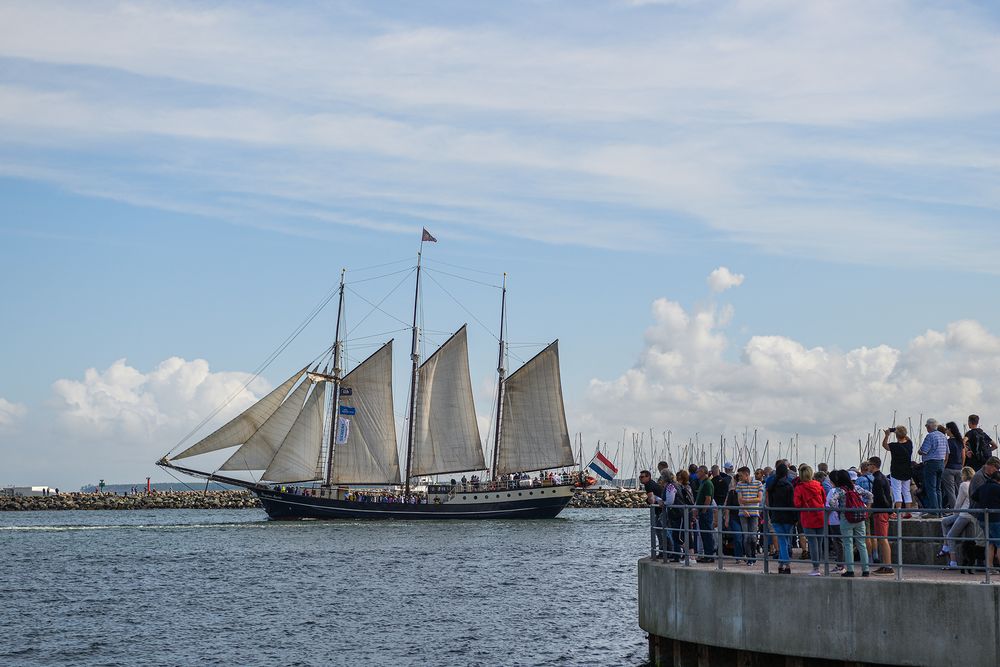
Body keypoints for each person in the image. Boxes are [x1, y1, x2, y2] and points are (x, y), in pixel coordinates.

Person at [828, 470, 873, 577]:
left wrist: (839, 510)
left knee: (848, 544)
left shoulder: (840, 490)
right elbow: (870, 495)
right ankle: (865, 569)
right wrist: (868, 509)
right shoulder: (856, 488)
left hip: (846, 518)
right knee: (861, 544)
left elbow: (831, 502)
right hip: (859, 518)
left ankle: (850, 570)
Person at [939, 466, 976, 569]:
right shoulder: (974, 484)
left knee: (950, 536)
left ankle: (953, 562)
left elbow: (958, 502)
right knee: (945, 521)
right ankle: (945, 546)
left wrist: (954, 512)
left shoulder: (963, 485)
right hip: (971, 514)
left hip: (964, 514)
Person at [793, 464, 826, 576]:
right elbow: (824, 499)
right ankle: (819, 566)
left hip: (807, 517)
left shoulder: (799, 488)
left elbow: (797, 504)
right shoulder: (819, 485)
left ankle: (815, 568)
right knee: (820, 542)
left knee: (812, 543)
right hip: (820, 515)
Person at [766, 462, 796, 574]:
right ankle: (785, 564)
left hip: (776, 516)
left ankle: (782, 564)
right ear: (786, 473)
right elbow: (791, 503)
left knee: (782, 540)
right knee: (785, 541)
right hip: (788, 517)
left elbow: (770, 503)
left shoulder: (772, 486)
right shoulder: (789, 486)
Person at [868, 456, 894, 574]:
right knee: (881, 539)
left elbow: (881, 497)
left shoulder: (878, 479)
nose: (868, 466)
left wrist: (887, 510)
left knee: (883, 539)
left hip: (881, 512)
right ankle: (885, 565)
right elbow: (887, 496)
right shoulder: (882, 478)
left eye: (869, 464)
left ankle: (888, 566)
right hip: (883, 511)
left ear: (873, 465)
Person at [970, 468, 1000, 574]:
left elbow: (974, 496)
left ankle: (989, 567)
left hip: (982, 518)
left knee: (990, 542)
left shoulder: (983, 487)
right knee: (999, 544)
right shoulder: (998, 488)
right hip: (995, 519)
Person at [882, 425, 915, 516]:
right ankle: (908, 512)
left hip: (896, 471)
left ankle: (899, 512)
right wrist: (899, 432)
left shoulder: (894, 446)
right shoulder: (909, 444)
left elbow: (884, 445)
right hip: (907, 471)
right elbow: (906, 437)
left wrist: (887, 434)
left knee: (897, 491)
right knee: (906, 491)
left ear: (896, 435)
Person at [734, 466, 762, 565]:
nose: (739, 477)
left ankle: (753, 555)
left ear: (747, 474)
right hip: (743, 513)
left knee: (753, 537)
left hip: (754, 512)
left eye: (741, 475)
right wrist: (744, 508)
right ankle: (749, 558)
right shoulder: (739, 484)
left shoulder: (758, 483)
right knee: (746, 537)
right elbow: (739, 499)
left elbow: (759, 499)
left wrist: (746, 501)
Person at [919, 418, 948, 511]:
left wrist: (919, 451)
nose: (926, 428)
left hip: (931, 463)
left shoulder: (930, 436)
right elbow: (947, 451)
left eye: (926, 426)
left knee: (931, 488)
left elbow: (924, 450)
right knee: (938, 488)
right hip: (941, 462)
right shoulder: (943, 436)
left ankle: (933, 511)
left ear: (930, 426)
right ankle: (939, 510)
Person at [639, 470, 667, 558]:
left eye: (642, 477)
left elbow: (652, 500)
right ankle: (665, 551)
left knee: (660, 531)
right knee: (661, 531)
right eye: (640, 477)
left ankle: (664, 552)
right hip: (662, 510)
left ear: (648, 477)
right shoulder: (652, 483)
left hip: (660, 511)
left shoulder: (648, 485)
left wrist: (647, 501)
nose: (640, 479)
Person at [671, 469, 696, 562]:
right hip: (688, 512)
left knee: (679, 535)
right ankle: (691, 556)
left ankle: (689, 555)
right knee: (688, 534)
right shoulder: (688, 487)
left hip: (683, 513)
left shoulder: (681, 487)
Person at [694, 465, 716, 563]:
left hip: (706, 512)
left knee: (707, 533)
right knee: (704, 534)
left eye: (698, 472)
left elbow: (708, 498)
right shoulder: (703, 483)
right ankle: (707, 555)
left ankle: (709, 555)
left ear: (703, 471)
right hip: (702, 511)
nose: (696, 474)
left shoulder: (707, 483)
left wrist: (703, 511)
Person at [943, 421, 966, 510]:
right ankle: (962, 508)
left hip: (949, 468)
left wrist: (943, 466)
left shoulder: (948, 442)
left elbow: (946, 457)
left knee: (950, 491)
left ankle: (955, 510)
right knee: (959, 491)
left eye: (946, 429)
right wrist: (961, 466)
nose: (945, 431)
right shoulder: (960, 441)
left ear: (950, 429)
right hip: (959, 468)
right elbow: (963, 456)